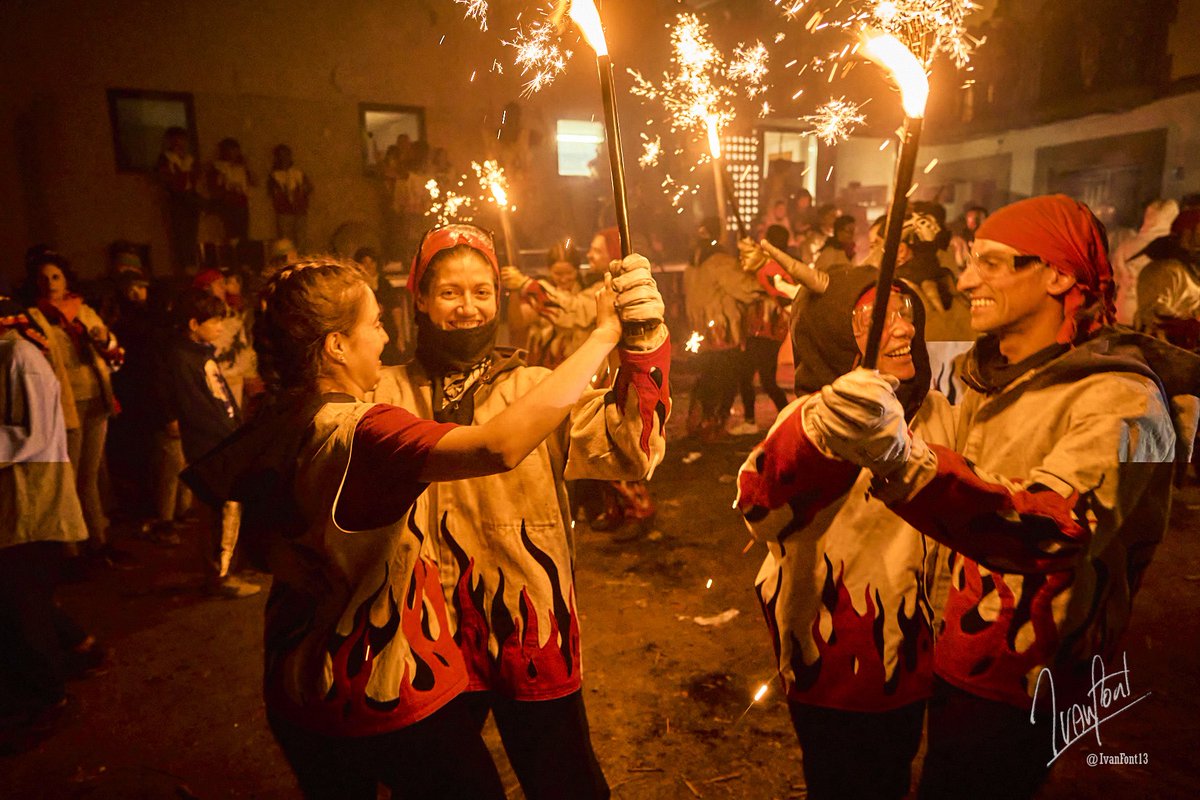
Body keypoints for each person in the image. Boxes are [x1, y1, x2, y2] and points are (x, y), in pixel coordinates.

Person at [183, 256, 626, 799]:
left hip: (295, 690)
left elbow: (257, 548)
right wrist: (602, 336)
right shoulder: (368, 430)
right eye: (374, 323)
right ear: (335, 345)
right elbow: (500, 445)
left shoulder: (273, 419)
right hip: (383, 688)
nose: (385, 337)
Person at [806, 195, 1199, 799]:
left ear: (1059, 274)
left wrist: (903, 464)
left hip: (1026, 676)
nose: (966, 281)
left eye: (991, 263)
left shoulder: (1130, 402)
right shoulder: (986, 376)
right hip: (944, 648)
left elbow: (1058, 529)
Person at [371, 224, 670, 799]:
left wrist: (643, 341)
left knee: (565, 783)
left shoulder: (538, 388)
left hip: (529, 624)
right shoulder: (383, 391)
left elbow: (632, 449)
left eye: (481, 292)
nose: (466, 307)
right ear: (420, 299)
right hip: (422, 632)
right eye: (450, 292)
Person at [736, 268, 954, 800]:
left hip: (915, 652)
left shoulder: (938, 412)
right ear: (831, 335)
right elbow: (760, 508)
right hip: (831, 657)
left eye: (907, 312)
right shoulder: (806, 420)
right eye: (872, 320)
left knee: (893, 775)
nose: (902, 329)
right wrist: (825, 435)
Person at [0, 299, 106, 746]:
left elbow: (38, 435)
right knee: (21, 598)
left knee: (20, 605)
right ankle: (81, 647)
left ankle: (47, 700)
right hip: (13, 503)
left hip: (30, 504)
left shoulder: (20, 358)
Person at [24, 248, 134, 569]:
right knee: (67, 479)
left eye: (55, 276)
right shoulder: (35, 318)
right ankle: (69, 550)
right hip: (64, 405)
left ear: (66, 278)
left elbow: (116, 353)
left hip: (96, 399)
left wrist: (103, 339)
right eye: (43, 278)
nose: (50, 283)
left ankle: (97, 542)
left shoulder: (82, 311)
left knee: (89, 476)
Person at [159, 289, 258, 598]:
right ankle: (220, 575)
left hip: (222, 441)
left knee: (227, 508)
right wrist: (227, 436)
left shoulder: (202, 353)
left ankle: (229, 566)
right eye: (214, 321)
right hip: (210, 446)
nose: (219, 326)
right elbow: (197, 407)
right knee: (218, 511)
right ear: (193, 324)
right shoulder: (182, 359)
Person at [732, 225, 796, 435]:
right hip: (761, 330)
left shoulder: (775, 268)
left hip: (768, 330)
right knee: (750, 375)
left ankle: (783, 419)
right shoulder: (778, 264)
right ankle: (762, 420)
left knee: (762, 378)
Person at [503, 240, 597, 368]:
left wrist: (525, 284)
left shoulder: (588, 293)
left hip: (578, 367)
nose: (564, 279)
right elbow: (518, 322)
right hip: (544, 368)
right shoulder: (540, 292)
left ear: (577, 270)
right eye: (558, 274)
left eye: (569, 273)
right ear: (549, 270)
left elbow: (569, 309)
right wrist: (514, 289)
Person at [1134, 206, 1200, 350]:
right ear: (1187, 236)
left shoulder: (1191, 273)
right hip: (1161, 356)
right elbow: (1152, 316)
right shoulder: (1166, 271)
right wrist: (1190, 327)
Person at [157, 127, 202, 272]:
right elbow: (165, 178)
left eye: (182, 139)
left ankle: (192, 265)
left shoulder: (190, 159)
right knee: (180, 235)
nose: (179, 143)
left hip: (191, 198)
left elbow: (196, 177)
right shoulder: (165, 158)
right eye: (175, 139)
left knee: (191, 233)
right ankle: (183, 268)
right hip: (176, 198)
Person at [208, 138, 253, 245]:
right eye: (229, 150)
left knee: (243, 234)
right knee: (230, 234)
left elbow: (253, 181)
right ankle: (232, 258)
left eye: (235, 150)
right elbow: (213, 188)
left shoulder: (241, 167)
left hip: (242, 203)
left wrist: (247, 166)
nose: (233, 153)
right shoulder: (217, 167)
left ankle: (243, 257)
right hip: (226, 204)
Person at [267, 144, 313, 251]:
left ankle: (303, 264)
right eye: (281, 155)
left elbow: (309, 188)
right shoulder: (274, 175)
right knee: (286, 243)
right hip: (284, 212)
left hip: (300, 211)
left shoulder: (298, 173)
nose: (284, 158)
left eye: (286, 155)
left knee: (301, 241)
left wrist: (301, 193)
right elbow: (272, 193)